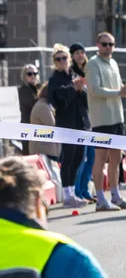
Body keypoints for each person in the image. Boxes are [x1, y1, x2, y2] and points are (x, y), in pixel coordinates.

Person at [85, 32, 126, 212]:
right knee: (100, 158)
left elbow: (119, 90)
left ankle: (115, 195)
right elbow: (95, 90)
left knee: (116, 158)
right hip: (101, 119)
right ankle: (101, 199)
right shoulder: (93, 64)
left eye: (111, 44)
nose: (108, 47)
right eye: (104, 44)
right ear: (98, 45)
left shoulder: (114, 63)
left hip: (117, 117)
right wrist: (120, 92)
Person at [45, 46, 89, 208]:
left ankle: (72, 192)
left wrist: (80, 90)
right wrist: (73, 89)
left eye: (64, 58)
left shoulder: (75, 76)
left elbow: (86, 100)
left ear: (69, 60)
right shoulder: (54, 80)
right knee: (68, 157)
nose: (62, 61)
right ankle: (67, 195)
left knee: (79, 158)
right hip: (66, 124)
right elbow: (57, 100)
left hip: (80, 123)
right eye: (58, 59)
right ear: (54, 63)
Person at [69, 44, 96, 202]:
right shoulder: (73, 74)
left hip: (91, 120)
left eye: (81, 52)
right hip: (79, 122)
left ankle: (85, 190)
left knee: (91, 159)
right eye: (76, 53)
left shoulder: (90, 71)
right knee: (82, 158)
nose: (80, 55)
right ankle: (77, 191)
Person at [28, 84, 60, 163]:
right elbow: (53, 125)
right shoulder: (43, 107)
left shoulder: (46, 105)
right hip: (44, 150)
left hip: (48, 149)